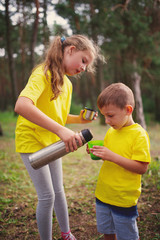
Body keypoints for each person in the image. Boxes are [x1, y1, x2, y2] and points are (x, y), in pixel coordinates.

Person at [14, 35, 103, 240]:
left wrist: (78, 120)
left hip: (53, 140)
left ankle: (66, 233)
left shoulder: (68, 84)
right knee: (47, 197)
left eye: (87, 66)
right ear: (70, 50)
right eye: (83, 60)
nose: (84, 68)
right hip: (32, 141)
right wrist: (62, 131)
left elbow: (58, 118)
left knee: (59, 191)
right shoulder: (42, 73)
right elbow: (22, 106)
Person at [87, 83, 151, 240]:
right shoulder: (112, 131)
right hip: (103, 194)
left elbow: (142, 167)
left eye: (110, 115)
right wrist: (98, 153)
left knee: (126, 236)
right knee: (107, 232)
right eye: (104, 116)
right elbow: (111, 156)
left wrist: (112, 156)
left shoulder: (139, 135)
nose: (107, 121)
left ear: (128, 110)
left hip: (123, 198)